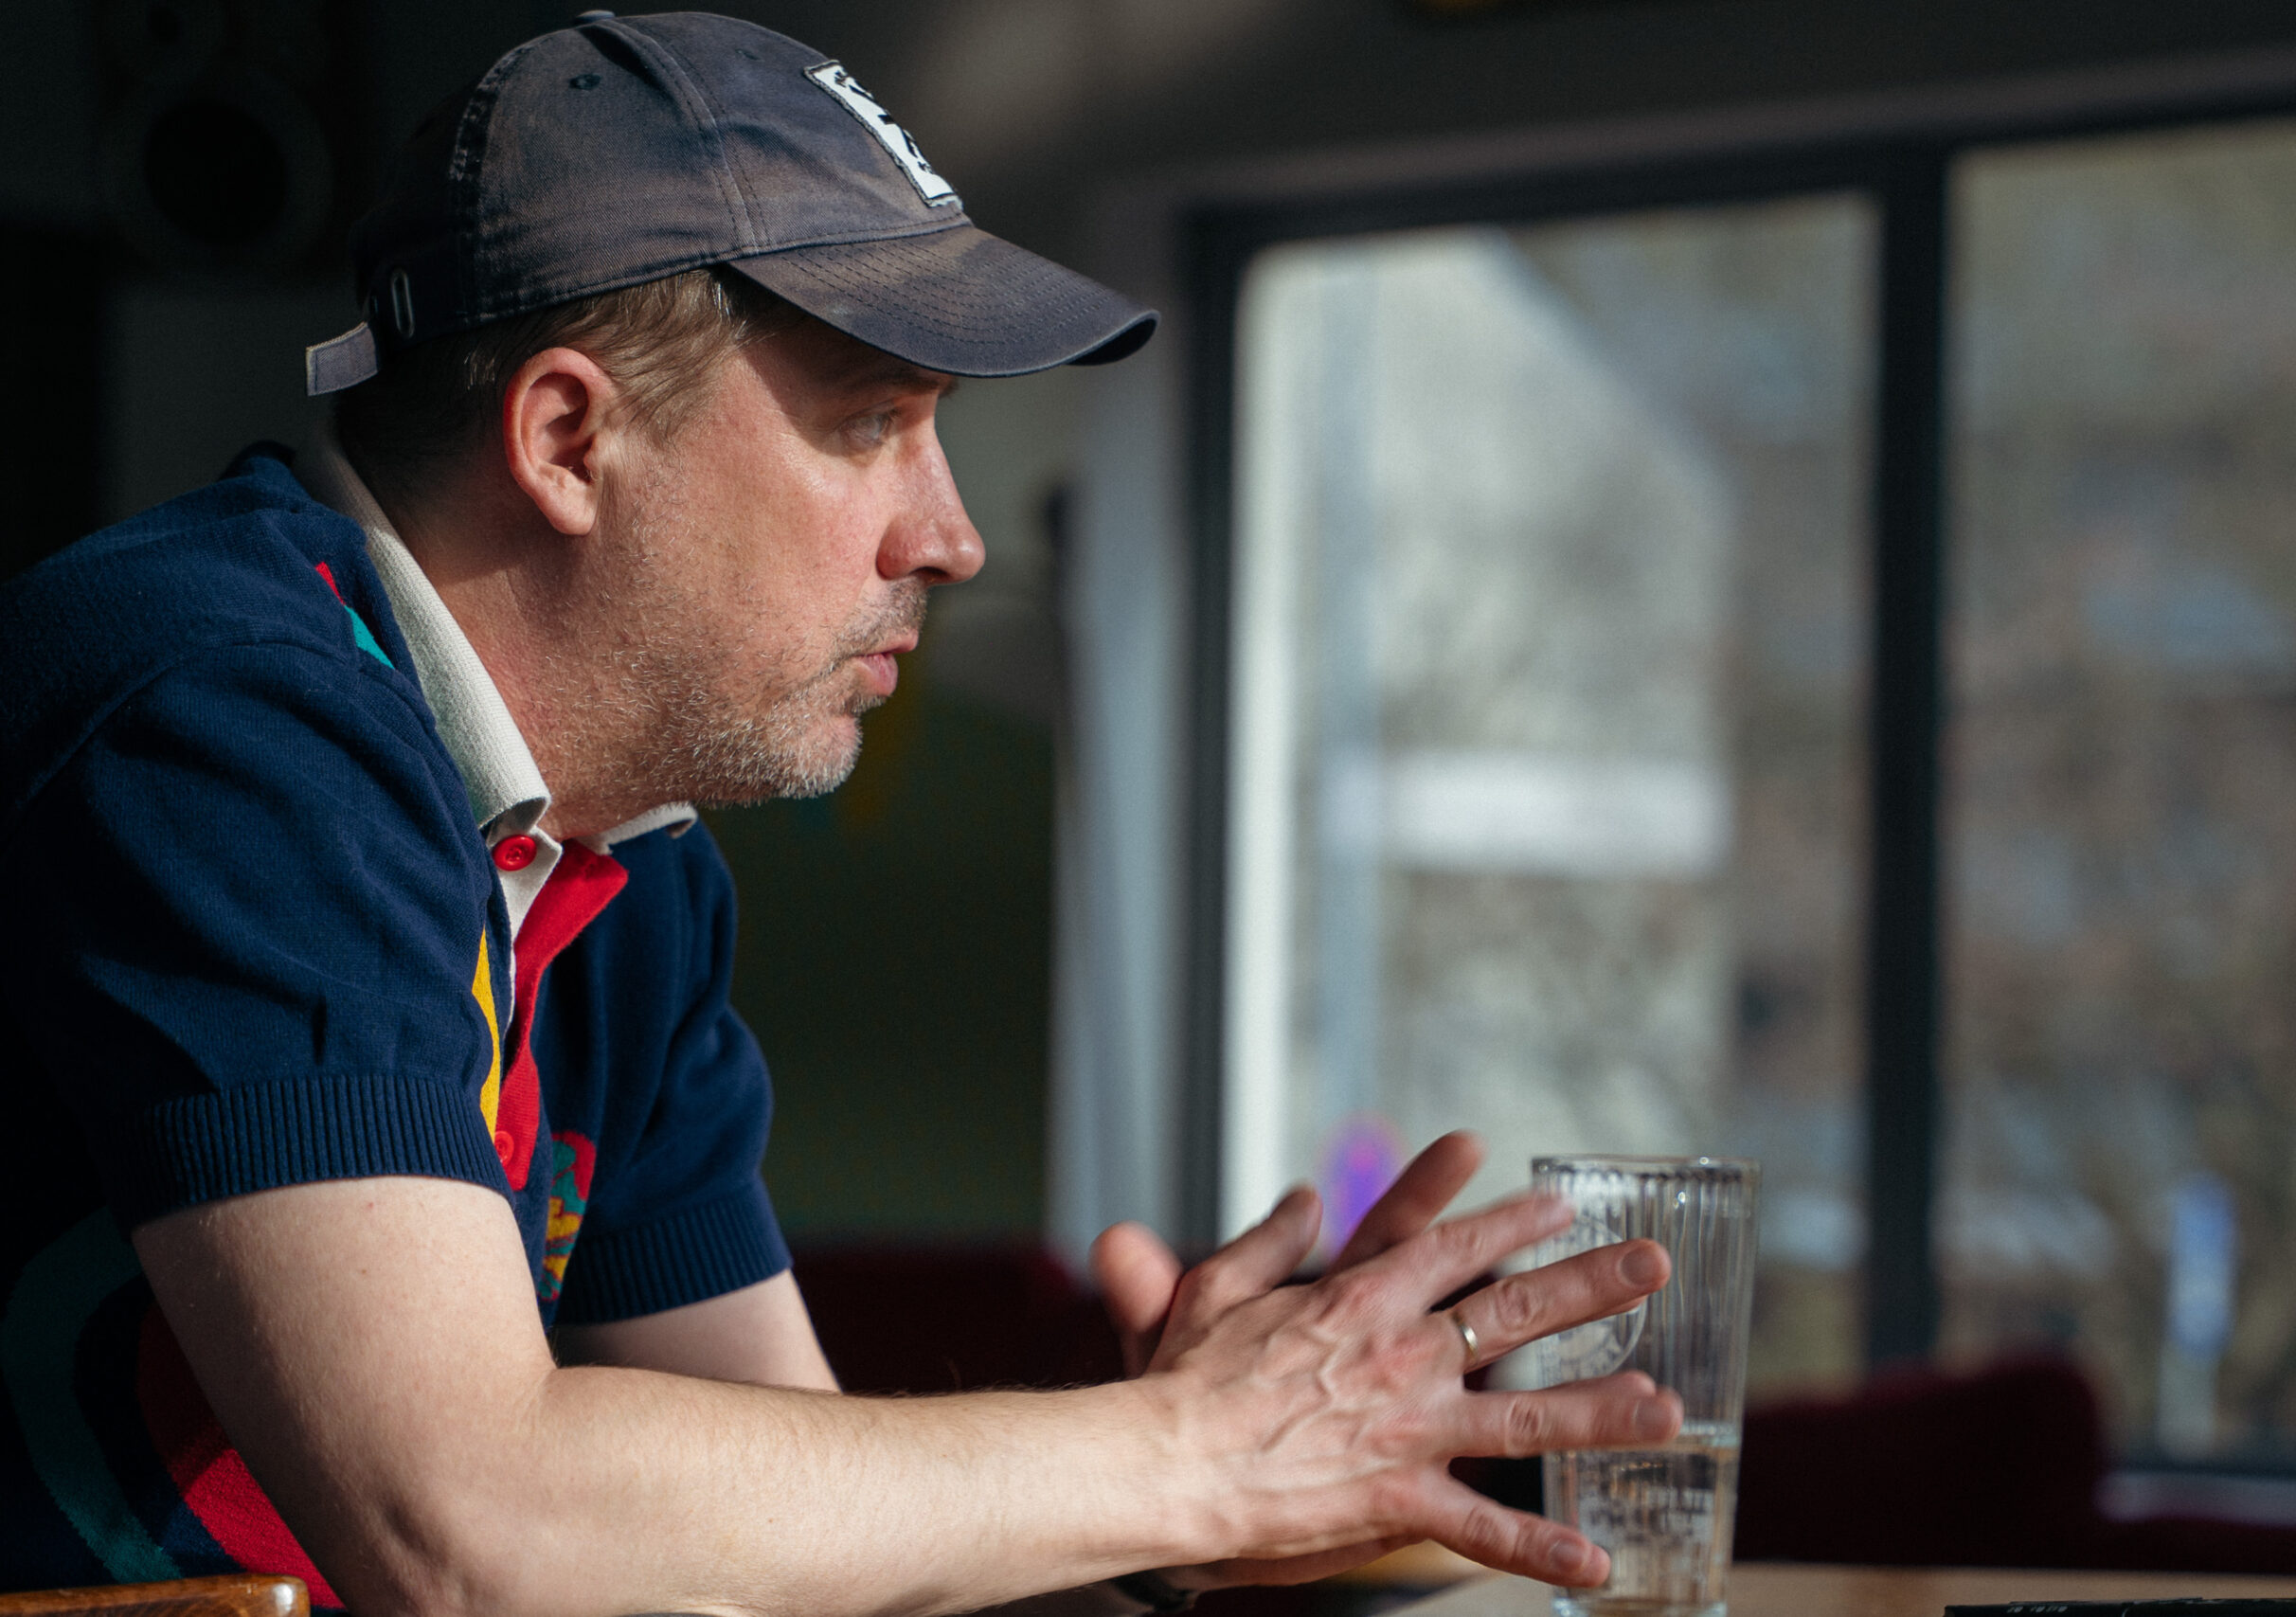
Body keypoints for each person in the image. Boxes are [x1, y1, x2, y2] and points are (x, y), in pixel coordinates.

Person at [0, 13, 1678, 1615]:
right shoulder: (220, 711)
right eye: (873, 420)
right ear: (571, 439)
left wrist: (1168, 1523)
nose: (952, 536)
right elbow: (470, 1526)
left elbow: (782, 1563)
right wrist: (1187, 1456)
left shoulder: (625, 872)